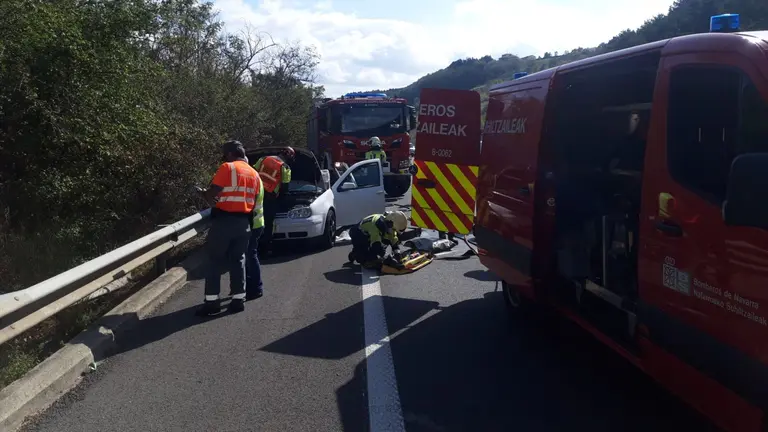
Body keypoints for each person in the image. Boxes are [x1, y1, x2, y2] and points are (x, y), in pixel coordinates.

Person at [196, 140, 260, 316]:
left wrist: (203, 194)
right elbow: (252, 199)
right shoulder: (254, 173)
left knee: (214, 260)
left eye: (225, 155)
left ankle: (212, 304)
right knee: (238, 260)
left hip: (224, 221)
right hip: (244, 223)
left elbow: (213, 194)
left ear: (230, 154)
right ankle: (238, 300)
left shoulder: (227, 168)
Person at [253, 147, 294, 254]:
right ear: (289, 157)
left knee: (253, 219)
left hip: (255, 194)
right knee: (267, 223)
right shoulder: (285, 167)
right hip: (269, 198)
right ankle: (265, 248)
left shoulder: (263, 159)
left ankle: (252, 245)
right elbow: (285, 188)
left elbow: (252, 173)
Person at [245, 163, 266, 300]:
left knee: (249, 255)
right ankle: (252, 287)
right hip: (258, 222)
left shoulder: (250, 178)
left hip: (252, 223)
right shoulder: (256, 177)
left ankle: (255, 288)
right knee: (250, 255)